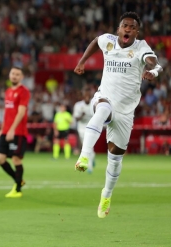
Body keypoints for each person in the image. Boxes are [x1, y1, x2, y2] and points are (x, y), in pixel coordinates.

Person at [74, 12, 162, 218]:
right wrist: (82, 61)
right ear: (119, 29)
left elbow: (152, 60)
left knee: (115, 159)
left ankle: (106, 194)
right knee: (102, 108)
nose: (128, 29)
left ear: (136, 32)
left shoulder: (141, 47)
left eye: (132, 27)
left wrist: (153, 70)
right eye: (125, 26)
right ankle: (85, 155)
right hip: (105, 96)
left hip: (125, 110)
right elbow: (96, 41)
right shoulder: (109, 41)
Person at [0, 67, 31, 198]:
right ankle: (19, 179)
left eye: (17, 74)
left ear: (22, 77)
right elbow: (7, 113)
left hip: (18, 132)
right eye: (13, 73)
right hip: (6, 131)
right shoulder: (8, 91)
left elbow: (21, 112)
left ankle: (18, 189)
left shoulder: (24, 92)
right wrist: (2, 130)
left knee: (16, 159)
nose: (14, 76)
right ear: (9, 75)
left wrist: (12, 129)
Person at [73, 87, 95, 172]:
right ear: (83, 95)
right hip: (82, 128)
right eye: (85, 95)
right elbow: (76, 119)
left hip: (92, 127)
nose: (87, 96)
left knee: (90, 147)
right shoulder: (78, 105)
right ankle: (92, 160)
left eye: (88, 95)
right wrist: (82, 115)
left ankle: (89, 167)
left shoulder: (94, 104)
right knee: (87, 147)